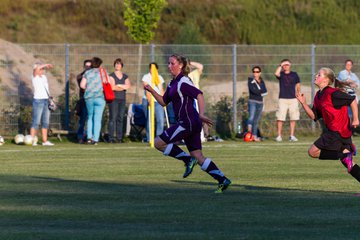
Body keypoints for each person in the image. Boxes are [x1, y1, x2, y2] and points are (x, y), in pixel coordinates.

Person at [144, 54, 231, 193]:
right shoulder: (173, 83)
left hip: (188, 122)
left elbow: (199, 95)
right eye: (168, 63)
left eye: (172, 63)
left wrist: (201, 114)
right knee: (198, 156)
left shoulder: (183, 82)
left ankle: (187, 159)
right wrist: (151, 90)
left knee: (158, 143)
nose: (169, 66)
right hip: (191, 123)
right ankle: (222, 179)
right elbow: (163, 102)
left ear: (181, 65)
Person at [296, 67, 360, 183]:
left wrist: (355, 119)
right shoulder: (318, 96)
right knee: (349, 164)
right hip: (339, 133)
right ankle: (345, 155)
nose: (316, 76)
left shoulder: (333, 93)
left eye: (319, 75)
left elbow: (352, 100)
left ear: (326, 80)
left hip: (336, 132)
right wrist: (303, 103)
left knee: (312, 152)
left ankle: (344, 155)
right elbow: (314, 116)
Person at [80, 57, 106, 145]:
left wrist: (90, 89)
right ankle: (96, 139)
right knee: (97, 119)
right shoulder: (103, 73)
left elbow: (82, 85)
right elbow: (108, 83)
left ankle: (89, 137)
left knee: (90, 118)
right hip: (100, 97)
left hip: (89, 98)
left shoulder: (87, 73)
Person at [274, 59, 301, 142]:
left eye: (287, 64)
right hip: (282, 98)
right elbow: (276, 73)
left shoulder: (294, 74)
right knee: (280, 118)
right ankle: (279, 136)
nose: (286, 66)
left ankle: (292, 136)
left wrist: (298, 93)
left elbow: (298, 84)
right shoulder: (281, 74)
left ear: (290, 65)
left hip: (293, 99)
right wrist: (280, 65)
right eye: (284, 65)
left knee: (293, 117)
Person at [30, 63, 55, 146]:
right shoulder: (34, 77)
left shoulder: (44, 77)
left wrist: (50, 99)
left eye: (42, 69)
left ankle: (45, 141)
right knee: (36, 121)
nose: (42, 70)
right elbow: (36, 69)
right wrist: (46, 64)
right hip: (38, 101)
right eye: (41, 69)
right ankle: (32, 140)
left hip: (46, 100)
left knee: (45, 122)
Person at [107, 58, 131, 143]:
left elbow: (128, 86)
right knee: (112, 118)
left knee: (120, 118)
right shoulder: (111, 76)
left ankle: (119, 138)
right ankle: (110, 138)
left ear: (121, 66)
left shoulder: (125, 76)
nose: (117, 65)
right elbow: (112, 87)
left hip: (122, 99)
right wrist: (122, 86)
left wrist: (119, 85)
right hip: (113, 99)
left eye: (119, 64)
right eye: (116, 64)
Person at [142, 62, 165, 142]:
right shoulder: (146, 77)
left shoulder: (159, 78)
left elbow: (161, 90)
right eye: (151, 68)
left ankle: (159, 139)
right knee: (149, 121)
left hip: (158, 101)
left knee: (160, 120)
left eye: (154, 68)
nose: (152, 70)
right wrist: (150, 101)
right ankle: (150, 138)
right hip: (148, 101)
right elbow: (147, 90)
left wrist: (164, 100)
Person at [247, 66, 267, 142]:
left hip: (260, 103)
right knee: (251, 117)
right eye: (254, 72)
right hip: (252, 101)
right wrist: (260, 91)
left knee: (256, 120)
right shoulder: (250, 80)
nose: (256, 73)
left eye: (257, 72)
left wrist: (259, 91)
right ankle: (249, 132)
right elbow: (253, 91)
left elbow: (265, 92)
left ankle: (254, 136)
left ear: (260, 73)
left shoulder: (262, 81)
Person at [76, 59, 92, 143]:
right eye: (86, 66)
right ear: (84, 67)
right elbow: (84, 86)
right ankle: (80, 136)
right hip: (84, 100)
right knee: (83, 119)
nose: (88, 68)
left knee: (91, 118)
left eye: (90, 66)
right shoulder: (80, 76)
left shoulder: (94, 75)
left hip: (92, 100)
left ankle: (90, 136)